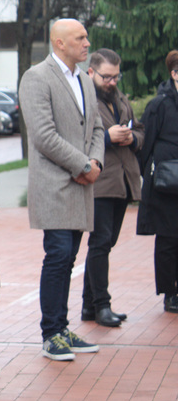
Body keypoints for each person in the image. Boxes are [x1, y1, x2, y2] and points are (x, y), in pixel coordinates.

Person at [18, 18, 104, 362]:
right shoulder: (37, 77)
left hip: (82, 184)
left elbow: (96, 125)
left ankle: (62, 326)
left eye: (86, 37)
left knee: (68, 259)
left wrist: (95, 161)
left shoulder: (84, 78)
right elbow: (43, 135)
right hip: (55, 185)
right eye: (80, 38)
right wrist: (82, 165)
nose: (87, 43)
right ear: (59, 43)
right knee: (57, 257)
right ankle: (50, 333)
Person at [81, 48, 142, 326]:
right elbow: (79, 138)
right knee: (100, 243)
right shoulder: (83, 98)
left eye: (116, 77)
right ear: (91, 72)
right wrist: (106, 137)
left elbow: (139, 128)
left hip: (123, 181)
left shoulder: (119, 97)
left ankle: (89, 306)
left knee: (106, 244)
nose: (112, 82)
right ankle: (101, 305)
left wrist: (132, 138)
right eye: (107, 77)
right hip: (100, 182)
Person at [137, 50, 178, 314]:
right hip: (166, 185)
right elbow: (144, 145)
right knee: (168, 238)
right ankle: (170, 293)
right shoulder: (159, 105)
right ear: (175, 74)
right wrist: (151, 175)